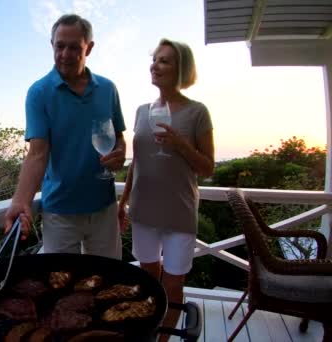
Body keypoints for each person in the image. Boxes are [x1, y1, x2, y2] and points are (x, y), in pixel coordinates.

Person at [3, 14, 127, 260]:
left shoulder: (108, 89)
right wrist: (21, 201)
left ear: (89, 48)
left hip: (104, 207)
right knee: (62, 284)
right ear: (52, 44)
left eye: (74, 47)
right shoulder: (39, 92)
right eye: (60, 46)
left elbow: (119, 138)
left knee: (107, 280)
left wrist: (120, 154)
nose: (65, 54)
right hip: (60, 211)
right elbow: (37, 154)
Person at [117, 38, 214, 341]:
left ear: (181, 69)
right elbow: (137, 163)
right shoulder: (141, 110)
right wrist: (123, 203)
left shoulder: (197, 112)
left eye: (165, 61)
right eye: (155, 59)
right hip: (143, 210)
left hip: (179, 212)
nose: (155, 65)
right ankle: (147, 333)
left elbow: (208, 168)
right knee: (148, 279)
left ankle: (162, 339)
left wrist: (180, 145)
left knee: (173, 286)